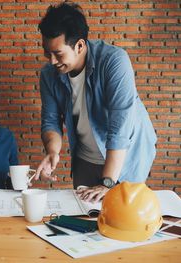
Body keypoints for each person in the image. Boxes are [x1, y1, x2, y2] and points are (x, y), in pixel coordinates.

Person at [34, 1, 157, 202]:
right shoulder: (49, 74)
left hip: (125, 157)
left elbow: (120, 127)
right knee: (86, 215)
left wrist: (108, 182)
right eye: (47, 53)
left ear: (80, 45)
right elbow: (51, 120)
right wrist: (52, 152)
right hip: (85, 158)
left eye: (58, 54)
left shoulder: (114, 61)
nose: (51, 61)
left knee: (120, 217)